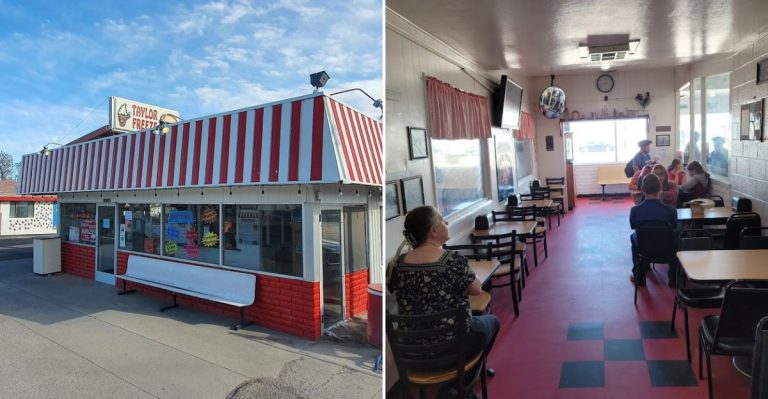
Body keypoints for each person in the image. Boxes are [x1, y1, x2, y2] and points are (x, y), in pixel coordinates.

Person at [387, 205, 500, 371]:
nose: (446, 221)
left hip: (412, 351)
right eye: (442, 220)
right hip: (452, 346)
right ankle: (467, 377)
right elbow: (477, 290)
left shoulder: (398, 263)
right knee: (493, 321)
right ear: (434, 230)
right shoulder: (453, 260)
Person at [629, 174, 679, 287]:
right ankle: (673, 277)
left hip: (645, 249)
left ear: (642, 189)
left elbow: (633, 226)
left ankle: (638, 274)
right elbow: (675, 225)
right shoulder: (670, 210)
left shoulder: (635, 210)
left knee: (633, 237)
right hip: (668, 249)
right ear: (660, 188)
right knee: (676, 236)